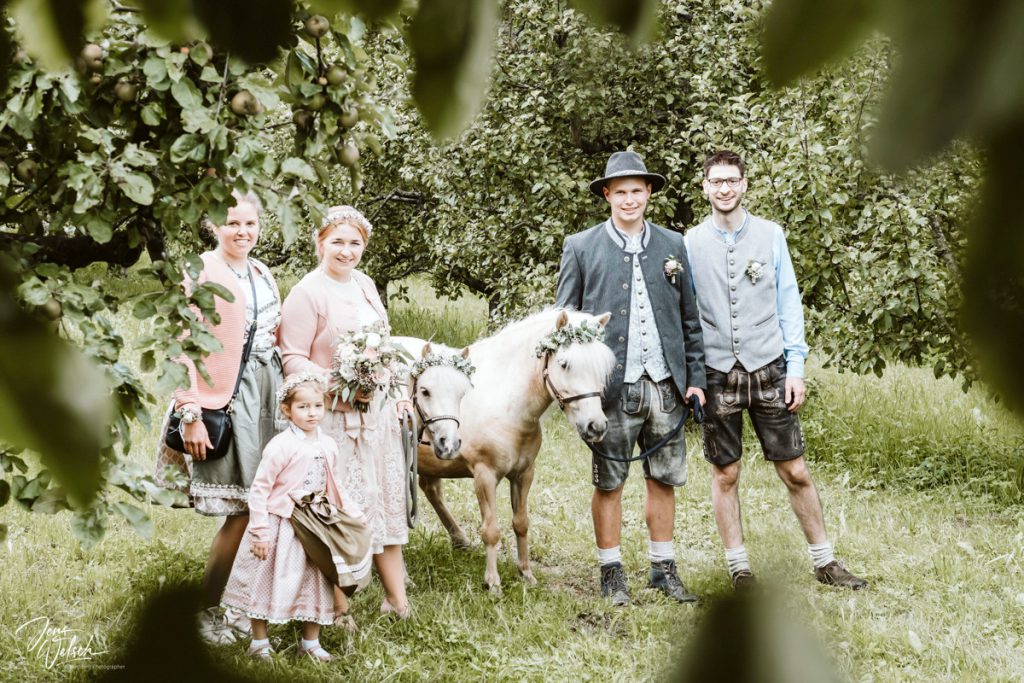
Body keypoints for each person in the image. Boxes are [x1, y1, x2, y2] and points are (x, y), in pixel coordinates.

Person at [685, 149, 867, 591]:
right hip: (716, 374)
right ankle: (739, 569)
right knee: (725, 473)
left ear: (744, 184)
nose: (724, 188)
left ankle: (825, 562)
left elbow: (790, 303)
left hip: (769, 368)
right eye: (716, 181)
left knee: (795, 470)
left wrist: (796, 367)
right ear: (705, 187)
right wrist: (691, 377)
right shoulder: (689, 243)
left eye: (732, 180)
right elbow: (687, 315)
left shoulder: (771, 235)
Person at [555, 151, 707, 606]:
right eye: (620, 191)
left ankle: (663, 568)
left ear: (649, 195)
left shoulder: (673, 246)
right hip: (611, 389)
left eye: (637, 191)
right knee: (610, 480)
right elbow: (565, 325)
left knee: (664, 477)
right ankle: (611, 570)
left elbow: (689, 318)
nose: (629, 200)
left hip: (665, 385)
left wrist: (694, 378)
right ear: (607, 195)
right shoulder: (580, 247)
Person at [157, 190, 284, 642]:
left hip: (266, 396)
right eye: (233, 224)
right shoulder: (200, 271)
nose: (243, 232)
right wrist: (189, 410)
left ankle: (246, 601)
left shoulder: (262, 271)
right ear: (213, 225)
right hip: (223, 400)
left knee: (265, 506)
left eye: (250, 224)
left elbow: (274, 335)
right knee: (241, 511)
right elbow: (179, 344)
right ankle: (207, 611)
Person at [278, 205, 414, 618]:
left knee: (385, 506)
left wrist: (395, 387)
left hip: (377, 418)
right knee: (338, 512)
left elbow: (385, 345)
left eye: (355, 243)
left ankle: (397, 600)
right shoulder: (307, 291)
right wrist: (341, 386)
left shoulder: (366, 285)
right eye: (337, 241)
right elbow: (292, 358)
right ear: (320, 243)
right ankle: (337, 610)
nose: (346, 250)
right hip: (333, 420)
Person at [221, 373, 368, 662]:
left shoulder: (328, 445)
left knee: (316, 579)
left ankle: (310, 641)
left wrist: (354, 514)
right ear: (287, 410)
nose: (311, 413)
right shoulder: (281, 446)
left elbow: (334, 486)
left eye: (317, 406)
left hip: (315, 527)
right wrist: (260, 532)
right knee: (263, 579)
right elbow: (260, 491)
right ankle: (259, 641)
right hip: (282, 525)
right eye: (303, 407)